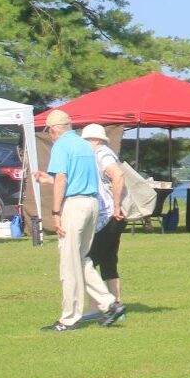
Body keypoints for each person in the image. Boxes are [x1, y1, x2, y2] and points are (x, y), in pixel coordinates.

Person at [41, 110, 123, 331]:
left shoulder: (61, 146)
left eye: (49, 131)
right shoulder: (84, 146)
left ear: (54, 129)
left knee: (69, 264)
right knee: (81, 258)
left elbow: (62, 179)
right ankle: (109, 303)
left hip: (75, 205)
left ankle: (69, 318)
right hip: (92, 204)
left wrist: (55, 212)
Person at [84, 123, 127, 308]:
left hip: (109, 216)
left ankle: (99, 305)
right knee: (109, 262)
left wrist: (116, 206)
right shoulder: (103, 153)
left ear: (94, 140)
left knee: (88, 262)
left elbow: (118, 175)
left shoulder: (102, 154)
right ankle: (116, 302)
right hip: (113, 217)